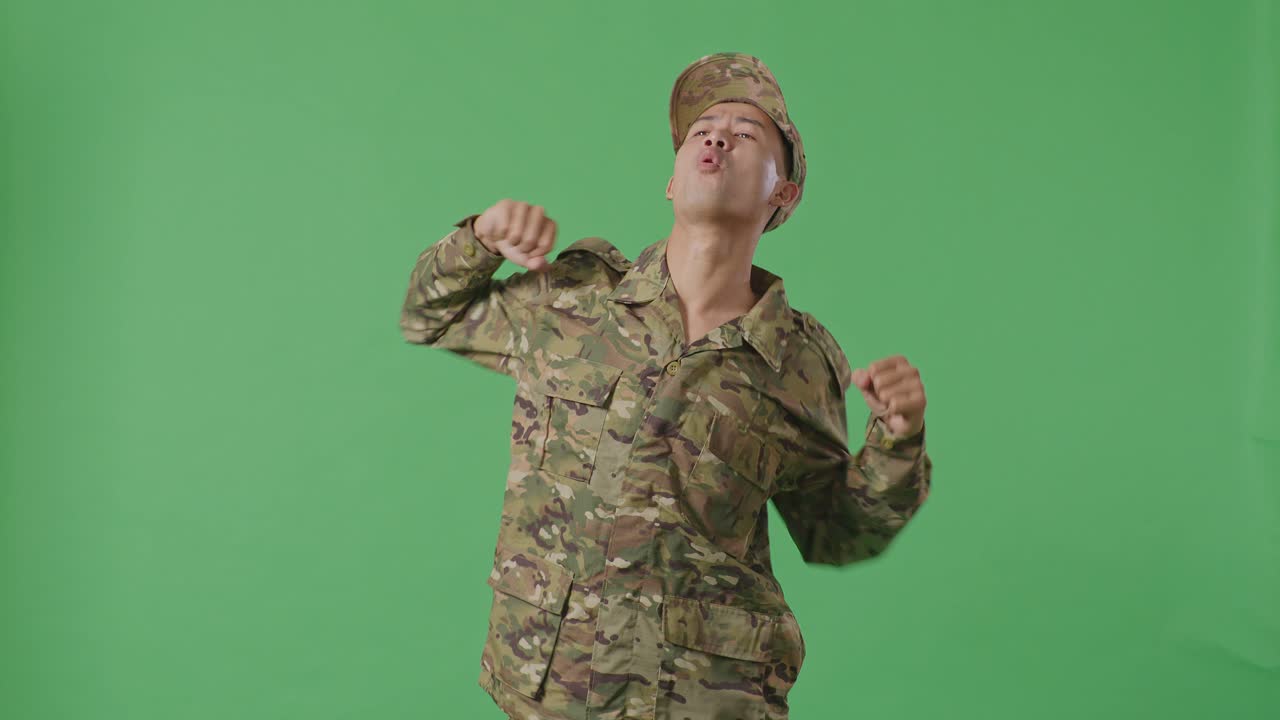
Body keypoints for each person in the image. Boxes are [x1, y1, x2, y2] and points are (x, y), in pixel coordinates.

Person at [399, 51, 933, 720]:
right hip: (551, 687)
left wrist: (898, 442)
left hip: (704, 697)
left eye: (746, 133)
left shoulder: (798, 363)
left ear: (783, 194)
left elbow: (838, 534)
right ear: (672, 182)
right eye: (702, 130)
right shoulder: (573, 298)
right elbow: (429, 316)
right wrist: (478, 238)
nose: (716, 138)